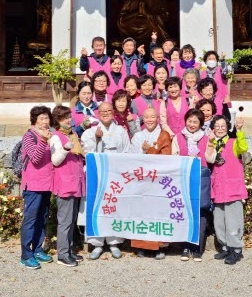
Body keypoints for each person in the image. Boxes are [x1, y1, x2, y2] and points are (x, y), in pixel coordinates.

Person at [81, 102, 131, 260]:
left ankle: (114, 243)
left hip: (115, 176)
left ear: (113, 112)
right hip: (98, 177)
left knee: (114, 207)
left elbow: (127, 151)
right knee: (97, 208)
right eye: (102, 111)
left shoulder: (121, 131)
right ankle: (97, 244)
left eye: (109, 110)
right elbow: (86, 153)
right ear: (98, 113)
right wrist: (97, 139)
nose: (105, 113)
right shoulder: (90, 132)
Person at [129, 107, 172, 259]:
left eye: (152, 117)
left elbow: (166, 157)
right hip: (141, 181)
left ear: (157, 118)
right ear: (143, 119)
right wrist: (143, 151)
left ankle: (160, 247)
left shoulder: (164, 135)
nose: (149, 120)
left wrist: (150, 150)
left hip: (158, 181)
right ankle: (142, 246)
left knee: (158, 213)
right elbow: (131, 157)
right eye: (146, 117)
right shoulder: (138, 136)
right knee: (141, 213)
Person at [206, 115, 248, 265]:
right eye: (217, 126)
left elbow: (243, 148)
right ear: (213, 128)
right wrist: (210, 142)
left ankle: (236, 248)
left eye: (223, 126)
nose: (220, 129)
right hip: (218, 188)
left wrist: (239, 130)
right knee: (219, 220)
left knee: (233, 220)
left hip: (232, 188)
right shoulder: (212, 142)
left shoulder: (234, 142)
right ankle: (224, 246)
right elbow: (209, 158)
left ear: (228, 127)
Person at [49, 106, 85, 267]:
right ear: (58, 120)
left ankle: (69, 250)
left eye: (69, 117)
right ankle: (62, 254)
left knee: (71, 219)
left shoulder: (72, 134)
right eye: (65, 118)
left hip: (75, 182)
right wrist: (65, 149)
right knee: (65, 221)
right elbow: (55, 160)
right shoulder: (56, 137)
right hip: (65, 183)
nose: (69, 120)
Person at [172, 108, 210, 261]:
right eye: (190, 121)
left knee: (200, 212)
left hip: (200, 179)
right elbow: (173, 157)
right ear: (185, 121)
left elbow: (211, 158)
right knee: (184, 212)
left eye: (195, 122)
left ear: (200, 124)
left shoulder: (206, 138)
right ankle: (186, 246)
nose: (192, 124)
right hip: (183, 179)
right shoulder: (178, 137)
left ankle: (198, 248)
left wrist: (211, 146)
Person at [20, 106, 54, 270]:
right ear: (35, 121)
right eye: (41, 118)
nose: (45, 121)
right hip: (33, 185)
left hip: (47, 184)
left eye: (47, 118)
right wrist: (44, 141)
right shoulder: (29, 136)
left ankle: (38, 249)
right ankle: (26, 255)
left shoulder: (50, 134)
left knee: (42, 218)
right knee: (31, 219)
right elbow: (35, 158)